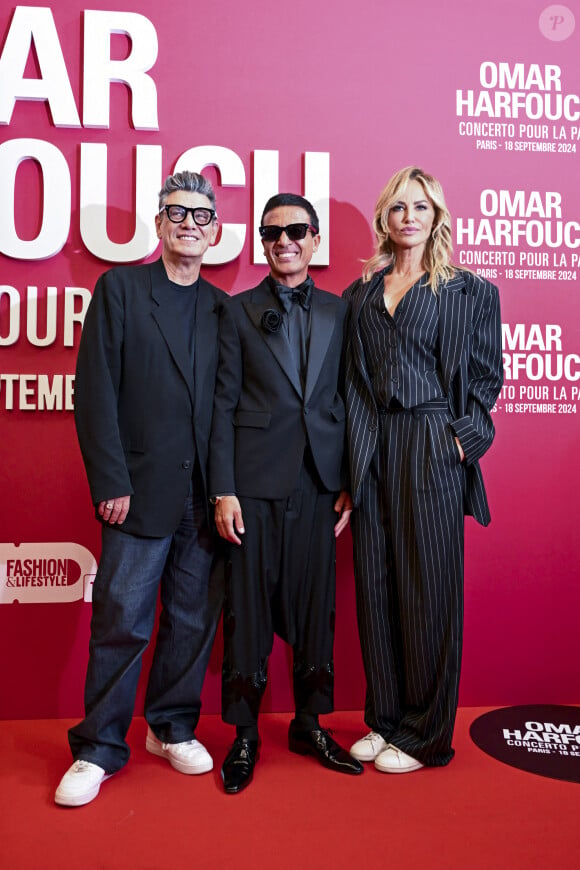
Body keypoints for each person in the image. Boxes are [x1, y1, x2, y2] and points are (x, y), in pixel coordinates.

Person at [55, 171, 227, 807]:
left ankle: (171, 725)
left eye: (200, 215)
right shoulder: (121, 289)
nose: (188, 223)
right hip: (136, 490)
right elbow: (94, 391)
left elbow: (229, 405)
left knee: (189, 620)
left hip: (203, 496)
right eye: (176, 213)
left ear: (215, 231)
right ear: (158, 226)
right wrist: (111, 481)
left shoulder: (220, 309)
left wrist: (225, 490)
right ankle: (98, 747)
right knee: (122, 620)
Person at [343, 166, 503, 773]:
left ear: (436, 215)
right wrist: (352, 468)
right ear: (385, 219)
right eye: (397, 207)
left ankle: (426, 735)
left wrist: (462, 442)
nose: (407, 216)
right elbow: (353, 387)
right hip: (372, 445)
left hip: (433, 442)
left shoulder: (469, 290)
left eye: (419, 206)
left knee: (428, 593)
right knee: (376, 589)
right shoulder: (361, 293)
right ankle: (384, 722)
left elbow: (486, 378)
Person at [209, 193, 363, 793]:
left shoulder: (339, 311)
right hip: (251, 483)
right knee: (246, 609)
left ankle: (309, 723)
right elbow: (220, 406)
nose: (285, 241)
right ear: (261, 241)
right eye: (272, 233)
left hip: (319, 481)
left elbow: (348, 399)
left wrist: (347, 477)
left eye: (297, 230)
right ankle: (244, 734)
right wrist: (222, 487)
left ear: (315, 239)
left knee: (314, 606)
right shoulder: (236, 310)